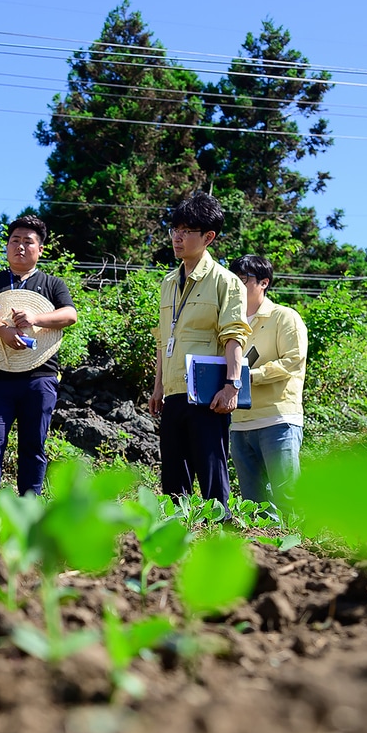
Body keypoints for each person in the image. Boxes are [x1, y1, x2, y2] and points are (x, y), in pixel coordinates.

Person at [147, 193, 249, 517]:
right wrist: (158, 386)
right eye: (174, 228)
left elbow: (234, 337)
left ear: (208, 237)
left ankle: (222, 536)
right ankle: (176, 540)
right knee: (173, 477)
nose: (178, 236)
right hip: (174, 391)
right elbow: (164, 339)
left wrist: (232, 386)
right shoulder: (167, 283)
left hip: (208, 395)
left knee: (211, 473)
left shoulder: (227, 282)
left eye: (187, 230)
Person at [0, 215, 77, 500]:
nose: (20, 246)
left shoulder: (53, 284)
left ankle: (29, 507)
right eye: (14, 240)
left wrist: (36, 317)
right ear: (6, 246)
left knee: (33, 444)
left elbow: (69, 315)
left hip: (40, 378)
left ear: (40, 250)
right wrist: (3, 330)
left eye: (28, 242)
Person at [228, 254, 308, 512]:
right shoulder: (230, 323)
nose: (238, 285)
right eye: (234, 280)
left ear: (264, 282)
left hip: (278, 419)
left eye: (244, 279)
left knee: (288, 497)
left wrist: (249, 376)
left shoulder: (284, 317)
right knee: (254, 505)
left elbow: (293, 361)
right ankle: (264, 553)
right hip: (239, 422)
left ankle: (301, 551)